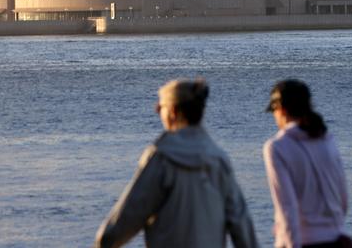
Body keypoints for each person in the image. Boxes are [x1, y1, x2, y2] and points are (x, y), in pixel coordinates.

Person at [95, 78, 259, 248]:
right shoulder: (219, 159)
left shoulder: (161, 158)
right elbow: (241, 223)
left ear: (173, 111)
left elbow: (129, 215)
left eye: (161, 107)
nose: (158, 111)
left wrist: (103, 242)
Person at [263, 79, 350, 248]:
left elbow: (287, 207)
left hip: (304, 242)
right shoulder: (326, 139)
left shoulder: (276, 147)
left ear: (282, 110)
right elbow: (343, 200)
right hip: (336, 239)